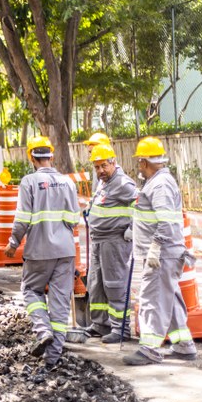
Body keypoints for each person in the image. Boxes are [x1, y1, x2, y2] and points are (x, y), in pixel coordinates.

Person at [4, 136, 80, 371]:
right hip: (65, 251)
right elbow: (73, 220)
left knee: (31, 290)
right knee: (59, 304)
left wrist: (13, 243)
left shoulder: (29, 182)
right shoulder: (68, 182)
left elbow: (22, 218)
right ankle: (52, 358)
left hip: (38, 251)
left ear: (31, 157)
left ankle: (42, 330)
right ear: (51, 155)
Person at [123, 137, 197, 365]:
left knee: (151, 298)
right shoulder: (157, 182)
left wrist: (155, 246)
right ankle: (184, 345)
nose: (138, 167)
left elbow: (165, 220)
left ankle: (149, 349)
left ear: (145, 162)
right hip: (165, 254)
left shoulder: (160, 184)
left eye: (139, 162)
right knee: (169, 299)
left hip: (161, 255)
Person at [84, 144, 137, 343]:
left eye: (103, 166)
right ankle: (100, 324)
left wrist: (133, 229)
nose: (100, 171)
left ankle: (120, 329)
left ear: (113, 162)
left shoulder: (123, 183)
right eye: (97, 167)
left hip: (114, 241)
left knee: (114, 284)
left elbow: (141, 206)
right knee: (95, 283)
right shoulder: (104, 182)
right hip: (98, 240)